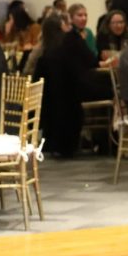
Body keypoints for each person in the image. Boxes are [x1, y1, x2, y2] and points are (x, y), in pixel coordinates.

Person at [33, 12, 98, 157]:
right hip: (72, 92)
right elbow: (91, 60)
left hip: (49, 98)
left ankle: (54, 146)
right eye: (67, 24)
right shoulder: (72, 40)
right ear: (62, 26)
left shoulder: (45, 49)